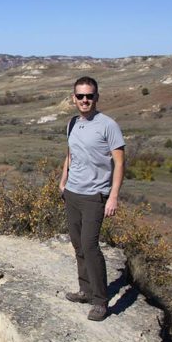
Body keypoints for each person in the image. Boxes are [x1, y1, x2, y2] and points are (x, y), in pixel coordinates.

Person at [58, 76, 125, 321]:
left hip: (95, 196)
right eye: (80, 96)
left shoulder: (108, 125)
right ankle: (85, 290)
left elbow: (119, 163)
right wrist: (63, 179)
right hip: (73, 193)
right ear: (73, 98)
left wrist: (113, 196)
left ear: (97, 97)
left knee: (90, 245)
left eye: (89, 96)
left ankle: (100, 301)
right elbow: (70, 153)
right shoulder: (72, 123)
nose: (85, 100)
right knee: (77, 244)